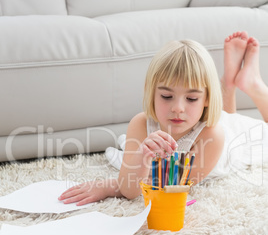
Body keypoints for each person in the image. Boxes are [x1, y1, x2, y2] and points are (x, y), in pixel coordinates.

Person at [58, 31, 268, 205]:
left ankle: (254, 85)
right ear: (152, 93)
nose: (178, 108)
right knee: (225, 116)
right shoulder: (140, 124)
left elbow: (170, 185)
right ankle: (229, 83)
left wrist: (108, 186)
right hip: (215, 117)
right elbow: (131, 191)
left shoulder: (214, 135)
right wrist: (142, 156)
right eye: (167, 96)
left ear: (206, 98)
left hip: (234, 140)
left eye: (192, 98)